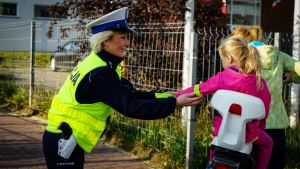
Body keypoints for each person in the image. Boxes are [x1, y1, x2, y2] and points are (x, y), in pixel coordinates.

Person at [42, 7, 203, 169]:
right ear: (106, 40)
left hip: (65, 138)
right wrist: (173, 104)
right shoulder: (102, 74)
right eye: (123, 37)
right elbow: (130, 107)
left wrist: (167, 97)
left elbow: (131, 95)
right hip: (62, 140)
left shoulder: (99, 63)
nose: (127, 43)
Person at [176, 35, 272, 169]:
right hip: (249, 133)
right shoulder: (259, 82)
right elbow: (264, 108)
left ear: (229, 58)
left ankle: (211, 163)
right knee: (268, 144)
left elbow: (199, 89)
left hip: (222, 131)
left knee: (215, 141)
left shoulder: (222, 78)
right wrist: (260, 125)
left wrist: (178, 95)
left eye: (221, 59)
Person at [231, 25, 300, 169]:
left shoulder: (240, 57)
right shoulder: (278, 56)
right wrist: (293, 78)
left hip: (245, 125)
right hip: (274, 126)